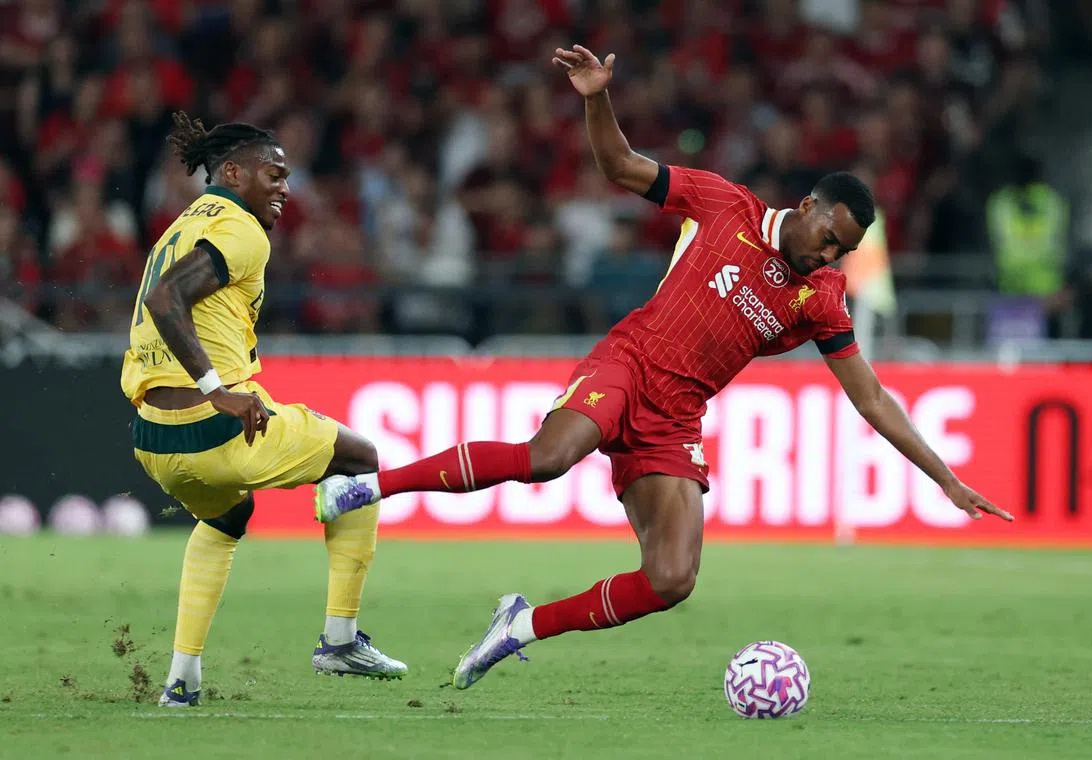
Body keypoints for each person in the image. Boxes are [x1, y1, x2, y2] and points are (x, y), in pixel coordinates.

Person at [314, 45, 1013, 690]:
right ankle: (368, 487)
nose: (828, 258)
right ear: (806, 209)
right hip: (630, 361)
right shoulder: (722, 203)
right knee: (549, 457)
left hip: (677, 417)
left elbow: (870, 399)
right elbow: (620, 167)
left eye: (842, 254)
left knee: (673, 579)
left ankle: (520, 626)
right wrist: (596, 99)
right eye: (828, 239)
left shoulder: (821, 301)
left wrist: (945, 478)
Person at [122, 112, 406, 707]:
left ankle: (182, 679)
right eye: (273, 175)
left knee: (225, 519)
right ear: (232, 172)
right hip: (217, 424)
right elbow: (166, 297)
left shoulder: (181, 224)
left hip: (153, 437)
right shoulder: (240, 229)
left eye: (287, 177)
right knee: (361, 460)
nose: (283, 187)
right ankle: (340, 640)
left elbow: (163, 294)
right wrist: (216, 387)